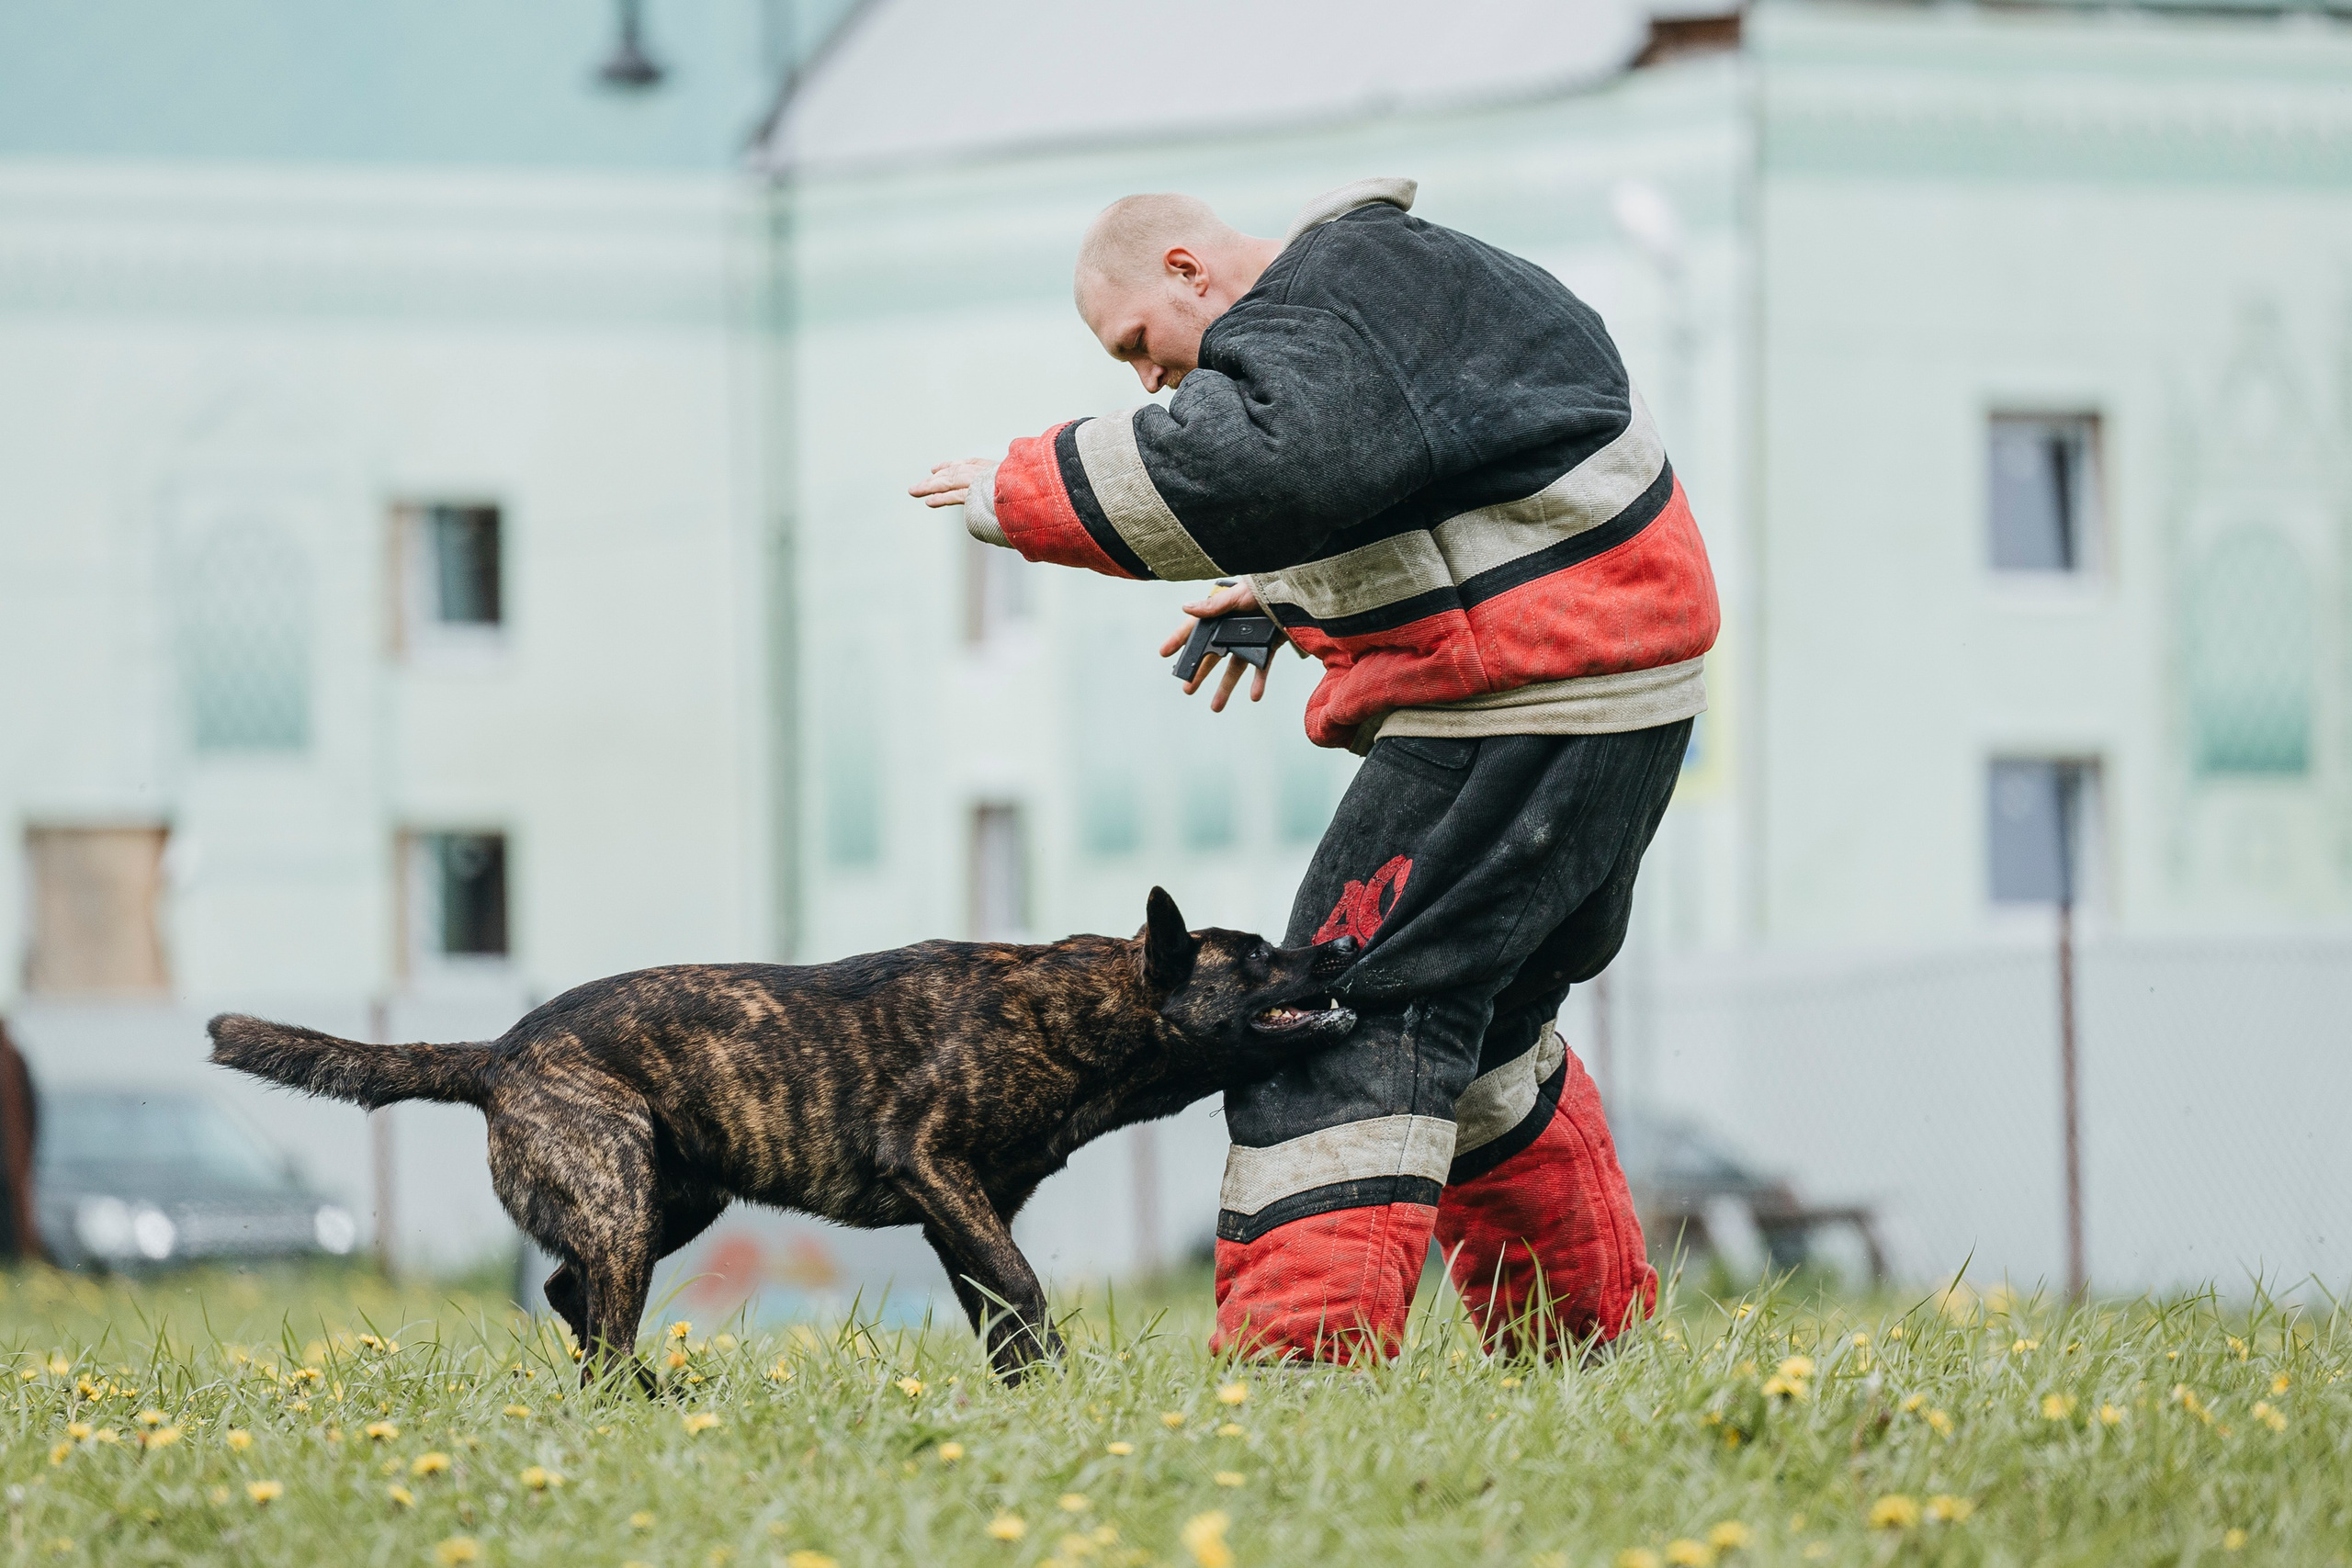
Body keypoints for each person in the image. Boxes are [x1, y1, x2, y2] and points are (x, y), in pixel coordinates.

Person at [910, 178, 1716, 1362]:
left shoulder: (1333, 304)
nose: (1145, 381)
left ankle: (1299, 1368)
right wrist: (1291, 601)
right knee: (1480, 1032)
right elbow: (1438, 478)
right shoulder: (1381, 296)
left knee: (1327, 1013)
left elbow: (1258, 467)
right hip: (1609, 690)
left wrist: (1025, 490)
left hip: (1529, 696)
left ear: (1189, 270)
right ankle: (1578, 1345)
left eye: (1140, 344)